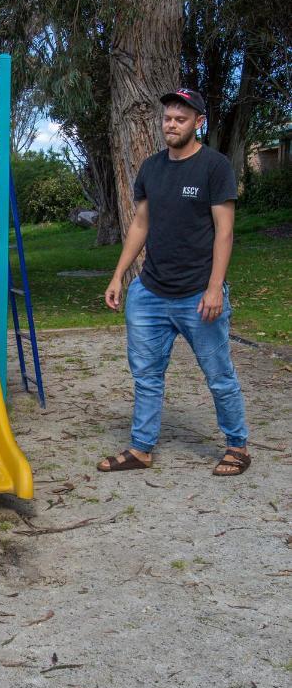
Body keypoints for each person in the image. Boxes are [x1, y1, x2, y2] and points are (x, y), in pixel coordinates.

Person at [98, 88, 250, 476]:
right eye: (167, 117)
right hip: (149, 293)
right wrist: (119, 276)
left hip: (199, 294)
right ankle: (141, 448)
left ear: (198, 122)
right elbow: (141, 224)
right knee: (146, 376)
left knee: (219, 376)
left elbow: (224, 232)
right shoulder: (151, 168)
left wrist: (215, 286)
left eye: (180, 119)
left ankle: (238, 445)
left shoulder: (214, 168)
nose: (171, 124)